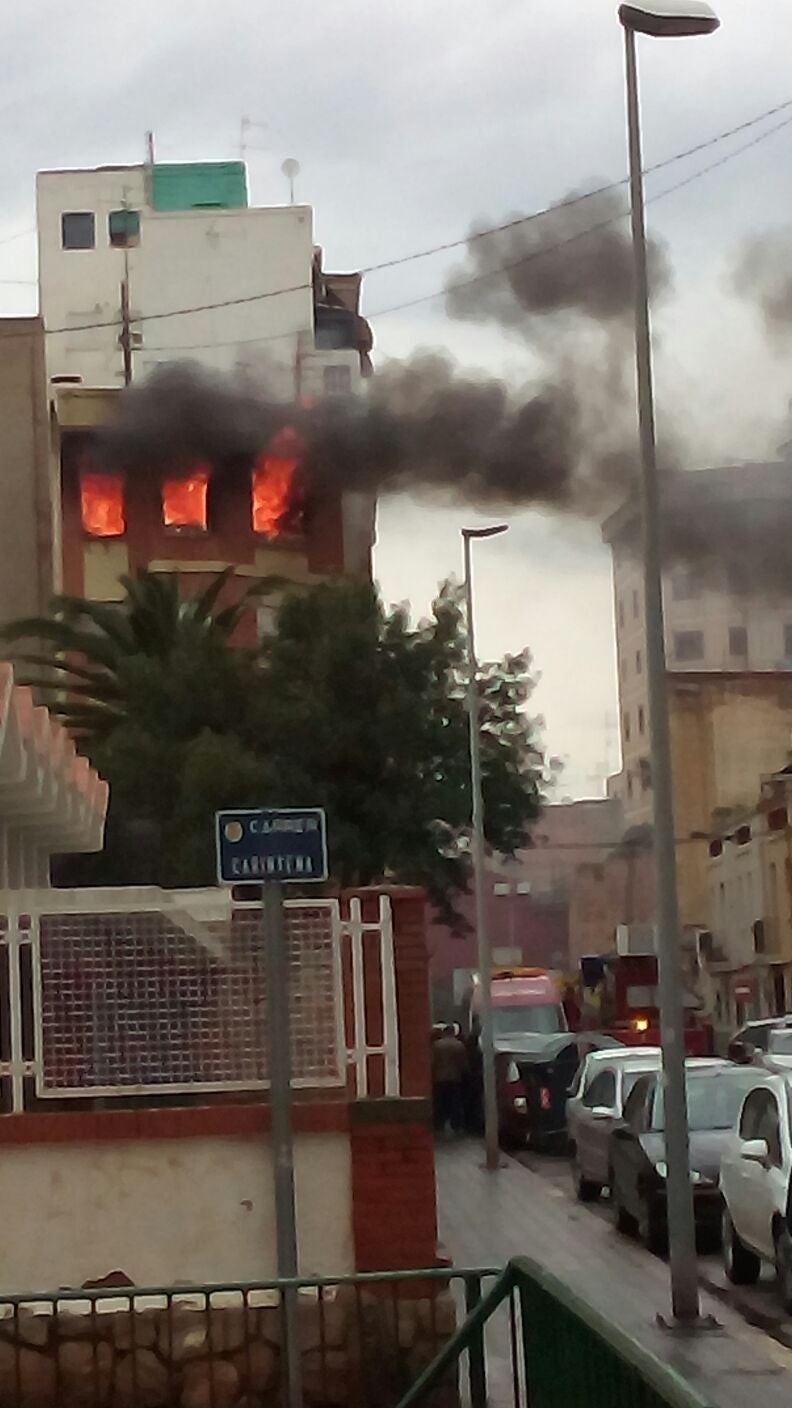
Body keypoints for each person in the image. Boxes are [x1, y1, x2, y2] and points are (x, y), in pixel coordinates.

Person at [432, 1025, 468, 1135]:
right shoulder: (459, 1045)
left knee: (440, 1103)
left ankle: (439, 1125)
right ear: (453, 1032)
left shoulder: (436, 1045)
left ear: (444, 1032)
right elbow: (463, 1064)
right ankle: (456, 1126)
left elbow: (432, 1062)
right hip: (454, 1078)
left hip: (439, 1078)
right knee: (455, 1103)